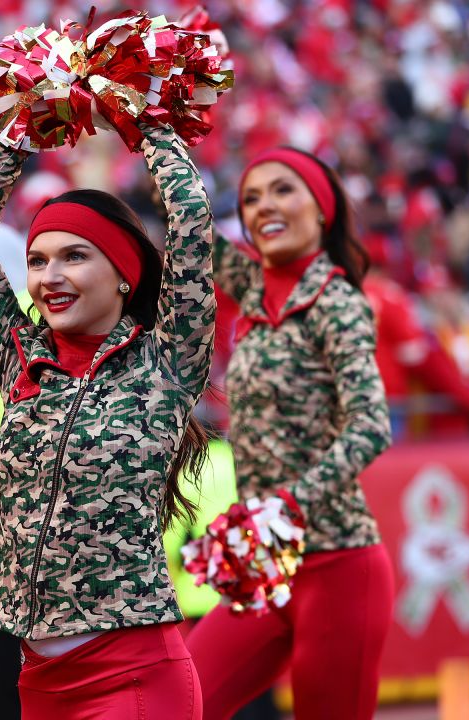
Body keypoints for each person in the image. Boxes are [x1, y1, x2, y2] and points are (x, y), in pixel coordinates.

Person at [0, 122, 216, 719]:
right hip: (39, 679)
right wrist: (20, 130)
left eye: (74, 256)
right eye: (37, 260)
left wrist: (147, 129)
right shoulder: (19, 358)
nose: (49, 276)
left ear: (124, 273)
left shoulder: (165, 362)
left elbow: (191, 221)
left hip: (135, 672)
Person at [184, 147, 394, 720]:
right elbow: (187, 220)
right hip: (266, 558)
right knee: (180, 703)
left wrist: (289, 502)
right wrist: (149, 121)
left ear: (322, 209)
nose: (263, 207)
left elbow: (372, 426)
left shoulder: (338, 303)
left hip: (338, 562)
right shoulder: (254, 287)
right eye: (251, 197)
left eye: (282, 190)